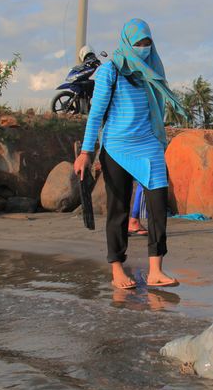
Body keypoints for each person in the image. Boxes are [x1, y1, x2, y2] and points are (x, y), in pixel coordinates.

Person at [73, 18, 183, 289]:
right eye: (138, 43)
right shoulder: (110, 71)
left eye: (147, 43)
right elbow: (96, 114)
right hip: (116, 147)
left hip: (148, 145)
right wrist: (86, 152)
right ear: (126, 43)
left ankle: (156, 269)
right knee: (118, 210)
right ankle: (117, 270)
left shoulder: (150, 69)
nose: (143, 48)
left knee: (158, 207)